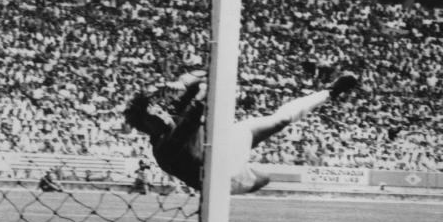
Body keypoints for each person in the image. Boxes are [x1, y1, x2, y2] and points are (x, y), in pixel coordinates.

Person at [124, 71, 358, 194]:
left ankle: (330, 92)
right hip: (223, 175)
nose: (161, 113)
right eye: (154, 114)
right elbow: (197, 106)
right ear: (147, 127)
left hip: (221, 144)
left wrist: (183, 82)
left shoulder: (169, 119)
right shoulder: (165, 146)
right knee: (263, 177)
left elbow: (201, 76)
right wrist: (197, 87)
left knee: (280, 120)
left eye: (158, 109)